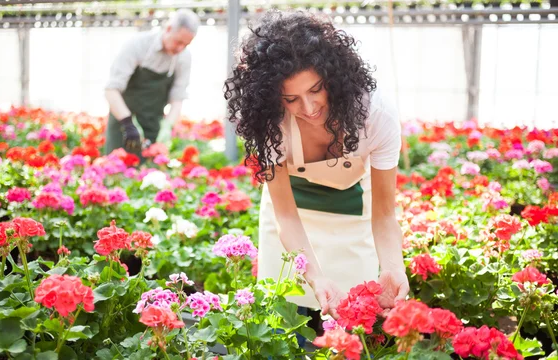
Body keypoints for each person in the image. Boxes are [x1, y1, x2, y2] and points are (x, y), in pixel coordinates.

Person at [224, 11, 410, 320]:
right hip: (290, 221)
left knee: (349, 323)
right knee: (282, 319)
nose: (308, 108)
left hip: (351, 218)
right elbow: (285, 215)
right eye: (291, 99)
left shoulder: (376, 115)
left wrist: (393, 266)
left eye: (315, 90)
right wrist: (315, 277)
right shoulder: (270, 123)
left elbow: (385, 214)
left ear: (334, 78)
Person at [104, 9, 200, 159]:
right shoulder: (137, 45)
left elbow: (178, 98)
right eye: (178, 42)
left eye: (186, 45)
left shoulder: (183, 58)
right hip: (123, 126)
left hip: (153, 125)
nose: (180, 48)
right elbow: (111, 90)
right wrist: (128, 123)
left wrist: (167, 126)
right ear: (168, 29)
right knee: (117, 170)